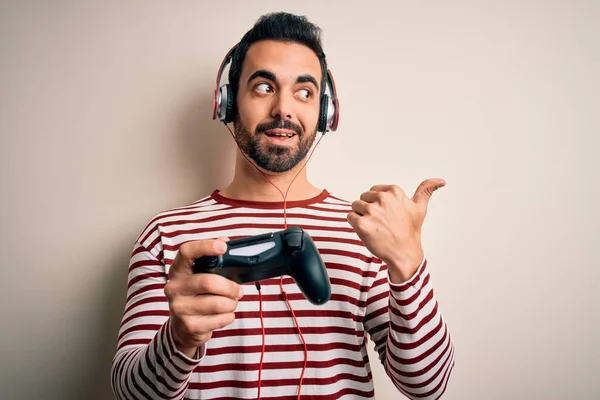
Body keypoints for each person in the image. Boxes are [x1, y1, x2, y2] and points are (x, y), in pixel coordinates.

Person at [110, 11, 455, 400]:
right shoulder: (166, 236)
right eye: (263, 87)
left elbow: (427, 386)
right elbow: (129, 394)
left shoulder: (366, 232)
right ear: (226, 104)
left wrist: (408, 263)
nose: (284, 109)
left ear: (326, 113)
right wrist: (179, 338)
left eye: (304, 92)